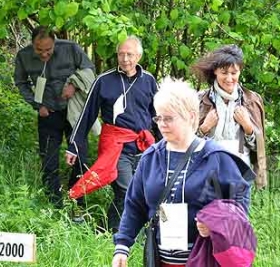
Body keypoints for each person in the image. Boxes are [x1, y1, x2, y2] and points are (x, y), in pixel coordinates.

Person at [112, 78, 255, 267]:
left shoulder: (216, 158)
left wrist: (215, 225)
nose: (161, 124)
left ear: (191, 116)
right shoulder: (151, 157)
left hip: (205, 259)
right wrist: (122, 246)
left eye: (169, 118)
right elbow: (134, 204)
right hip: (160, 259)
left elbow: (239, 206)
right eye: (158, 117)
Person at [66, 35, 159, 232]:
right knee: (125, 190)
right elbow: (87, 115)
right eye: (121, 54)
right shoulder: (104, 80)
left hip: (142, 145)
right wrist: (73, 146)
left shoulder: (149, 80)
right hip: (116, 144)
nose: (125, 59)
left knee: (140, 191)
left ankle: (129, 231)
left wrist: (167, 144)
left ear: (139, 56)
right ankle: (111, 232)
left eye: (130, 55)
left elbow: (157, 115)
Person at [14, 26, 95, 209]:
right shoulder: (24, 56)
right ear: (32, 43)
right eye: (39, 49)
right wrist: (37, 105)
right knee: (49, 159)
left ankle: (78, 204)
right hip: (48, 113)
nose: (44, 54)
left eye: (48, 49)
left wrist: (74, 85)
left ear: (55, 42)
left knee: (80, 157)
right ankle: (54, 204)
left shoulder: (70, 48)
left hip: (73, 111)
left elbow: (89, 69)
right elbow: (21, 82)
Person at [192, 44, 267, 189]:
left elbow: (259, 148)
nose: (229, 78)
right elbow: (186, 144)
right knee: (209, 212)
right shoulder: (199, 100)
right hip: (207, 174)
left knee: (236, 212)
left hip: (240, 174)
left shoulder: (251, 100)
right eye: (224, 73)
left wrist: (248, 127)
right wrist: (204, 128)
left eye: (234, 73)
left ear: (240, 72)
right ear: (215, 71)